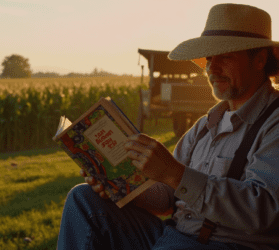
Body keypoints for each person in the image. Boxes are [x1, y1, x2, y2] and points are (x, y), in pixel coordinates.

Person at [57, 3, 279, 250]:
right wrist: (118, 186)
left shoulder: (274, 122)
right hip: (173, 235)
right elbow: (167, 200)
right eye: (209, 58)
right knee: (83, 200)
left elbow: (266, 210)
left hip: (223, 244)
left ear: (259, 60)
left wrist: (174, 172)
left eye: (225, 57)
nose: (212, 69)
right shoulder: (205, 125)